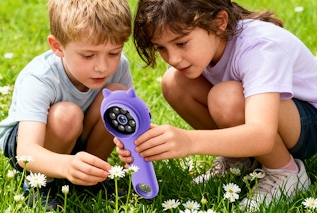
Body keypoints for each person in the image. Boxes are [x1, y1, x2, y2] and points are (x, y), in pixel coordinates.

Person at [115, 0, 317, 210]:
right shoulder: (205, 47)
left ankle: (285, 172)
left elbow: (263, 135)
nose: (173, 58)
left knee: (226, 98)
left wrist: (189, 141)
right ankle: (240, 160)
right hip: (273, 120)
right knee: (174, 83)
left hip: (308, 123)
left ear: (219, 21)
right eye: (161, 48)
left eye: (181, 43)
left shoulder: (260, 46)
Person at [0, 0, 132, 210]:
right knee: (66, 115)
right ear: (58, 47)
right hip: (34, 145)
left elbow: (128, 122)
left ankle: (91, 176)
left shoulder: (120, 66)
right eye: (88, 55)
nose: (102, 67)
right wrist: (65, 165)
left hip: (79, 136)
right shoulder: (40, 78)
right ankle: (39, 185)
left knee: (117, 99)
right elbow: (26, 151)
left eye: (113, 53)